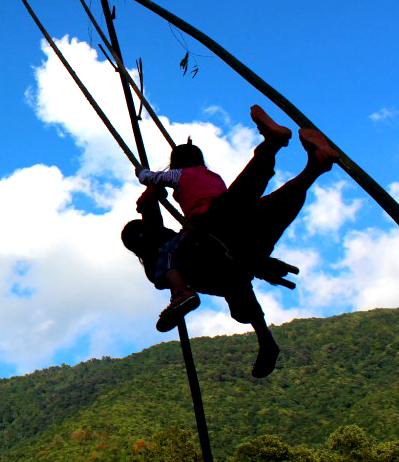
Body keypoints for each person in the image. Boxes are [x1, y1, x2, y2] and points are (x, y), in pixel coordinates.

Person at [121, 106, 339, 377]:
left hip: (220, 235)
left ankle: (287, 154)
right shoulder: (168, 256)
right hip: (233, 242)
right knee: (265, 205)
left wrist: (150, 192)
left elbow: (157, 229)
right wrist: (260, 265)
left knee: (256, 205)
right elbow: (226, 267)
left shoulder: (165, 260)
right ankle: (313, 164)